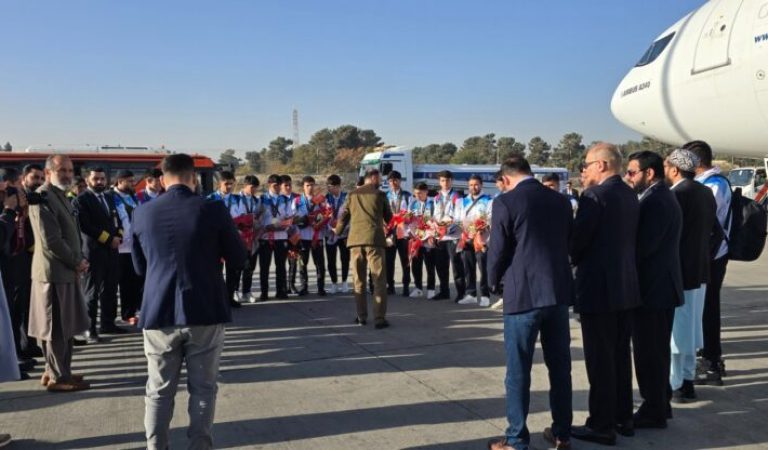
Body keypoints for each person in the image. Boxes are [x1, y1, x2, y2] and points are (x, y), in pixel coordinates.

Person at [132, 153, 247, 450]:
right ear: (193, 177)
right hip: (204, 309)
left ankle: (156, 446)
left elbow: (139, 268)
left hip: (159, 312)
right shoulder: (212, 209)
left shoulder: (142, 213)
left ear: (161, 178)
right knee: (203, 389)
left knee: (158, 390)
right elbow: (238, 258)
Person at [486, 157, 574, 450]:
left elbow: (497, 249)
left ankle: (516, 439)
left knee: (518, 372)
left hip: (522, 295)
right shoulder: (560, 201)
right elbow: (569, 243)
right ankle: (563, 434)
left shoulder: (506, 202)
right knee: (560, 368)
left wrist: (492, 282)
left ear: (506, 178)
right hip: (558, 293)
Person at [569, 143, 641, 446]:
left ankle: (601, 424)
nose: (584, 170)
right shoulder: (628, 193)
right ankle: (623, 416)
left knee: (600, 361)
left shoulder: (595, 196)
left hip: (599, 289)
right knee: (620, 357)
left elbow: (576, 243)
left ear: (601, 165)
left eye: (587, 164)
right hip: (625, 287)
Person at [625, 151, 683, 428]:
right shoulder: (657, 196)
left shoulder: (657, 200)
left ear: (649, 173)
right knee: (654, 352)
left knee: (650, 354)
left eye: (633, 172)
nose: (628, 177)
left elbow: (644, 247)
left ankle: (654, 409)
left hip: (654, 291)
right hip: (658, 288)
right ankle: (659, 403)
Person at [28, 154, 91, 391]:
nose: (67, 174)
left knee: (65, 326)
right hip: (53, 273)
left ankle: (58, 371)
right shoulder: (42, 198)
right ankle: (58, 377)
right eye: (61, 170)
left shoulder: (59, 195)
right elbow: (51, 241)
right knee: (54, 328)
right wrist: (77, 261)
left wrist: (78, 260)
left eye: (69, 170)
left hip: (66, 271)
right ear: (48, 173)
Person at [664, 148, 719, 403]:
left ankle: (679, 384)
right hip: (701, 272)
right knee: (692, 329)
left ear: (674, 169)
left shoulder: (676, 195)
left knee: (678, 333)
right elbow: (717, 233)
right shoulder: (706, 193)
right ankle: (686, 380)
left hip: (679, 275)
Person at [686, 140, 731, 385]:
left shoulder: (714, 185)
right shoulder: (707, 184)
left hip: (711, 257)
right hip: (705, 255)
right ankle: (709, 357)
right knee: (701, 309)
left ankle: (712, 362)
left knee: (708, 309)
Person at [334, 169, 392, 329]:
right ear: (373, 178)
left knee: (358, 280)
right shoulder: (380, 194)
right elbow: (389, 217)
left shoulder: (351, 195)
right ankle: (379, 318)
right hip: (375, 241)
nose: (380, 180)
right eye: (379, 178)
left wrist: (337, 232)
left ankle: (361, 316)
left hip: (355, 241)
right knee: (378, 280)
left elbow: (343, 216)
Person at [73, 167, 125, 342]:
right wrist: (108, 239)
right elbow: (86, 226)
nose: (100, 182)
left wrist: (118, 235)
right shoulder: (81, 200)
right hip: (93, 251)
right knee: (92, 292)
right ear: (88, 180)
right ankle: (89, 330)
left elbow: (117, 219)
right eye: (96, 179)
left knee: (110, 288)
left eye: (102, 179)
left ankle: (108, 323)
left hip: (111, 251)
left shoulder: (109, 197)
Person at [207, 171, 247, 308]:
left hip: (232, 238)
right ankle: (216, 299)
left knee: (233, 270)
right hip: (216, 241)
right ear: (219, 183)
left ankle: (230, 297)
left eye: (231, 183)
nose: (229, 186)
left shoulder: (238, 199)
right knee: (216, 271)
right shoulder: (210, 199)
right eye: (226, 184)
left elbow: (244, 217)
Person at [111, 170, 143, 326]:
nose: (132, 184)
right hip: (118, 247)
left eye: (133, 181)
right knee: (121, 283)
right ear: (119, 181)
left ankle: (131, 312)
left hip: (134, 246)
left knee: (134, 281)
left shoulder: (132, 197)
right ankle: (120, 315)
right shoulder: (111, 197)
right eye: (129, 181)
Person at [429, 170, 465, 302]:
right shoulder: (436, 197)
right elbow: (434, 216)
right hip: (440, 236)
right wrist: (434, 229)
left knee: (456, 265)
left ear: (451, 181)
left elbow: (459, 216)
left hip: (453, 236)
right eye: (443, 180)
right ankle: (444, 291)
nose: (445, 183)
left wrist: (449, 227)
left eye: (448, 180)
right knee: (440, 265)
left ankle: (461, 293)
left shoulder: (457, 196)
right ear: (439, 182)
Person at [457, 175, 492, 307]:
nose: (473, 187)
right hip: (466, 238)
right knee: (468, 267)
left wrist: (480, 227)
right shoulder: (463, 201)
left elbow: (489, 218)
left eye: (476, 184)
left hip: (481, 239)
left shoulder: (488, 200)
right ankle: (471, 294)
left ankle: (485, 295)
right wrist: (464, 229)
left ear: (481, 185)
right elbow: (458, 218)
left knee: (483, 268)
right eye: (471, 185)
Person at [259, 174, 291, 301]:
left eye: (279, 185)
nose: (277, 188)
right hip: (266, 237)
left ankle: (281, 291)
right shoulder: (262, 199)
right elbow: (256, 217)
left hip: (281, 236)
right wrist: (265, 226)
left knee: (281, 266)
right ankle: (264, 292)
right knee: (264, 266)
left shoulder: (285, 199)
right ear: (269, 185)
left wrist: (284, 225)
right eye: (274, 185)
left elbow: (289, 216)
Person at [295, 176, 327, 296]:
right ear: (303, 186)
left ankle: (321, 287)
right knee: (302, 263)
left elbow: (326, 214)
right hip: (303, 237)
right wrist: (302, 220)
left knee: (319, 263)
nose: (310, 187)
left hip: (316, 236)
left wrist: (320, 221)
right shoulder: (297, 201)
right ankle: (304, 286)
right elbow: (293, 218)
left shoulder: (320, 200)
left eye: (312, 185)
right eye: (307, 185)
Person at [385, 171, 412, 296]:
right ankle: (390, 285)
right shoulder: (385, 196)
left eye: (395, 180)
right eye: (390, 181)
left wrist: (405, 217)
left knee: (405, 260)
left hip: (403, 233)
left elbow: (412, 213)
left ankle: (406, 285)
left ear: (400, 181)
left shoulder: (407, 196)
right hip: (390, 233)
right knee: (389, 261)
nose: (393, 183)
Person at [408, 182, 435, 299]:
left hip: (428, 237)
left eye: (420, 193)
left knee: (429, 264)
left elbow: (435, 220)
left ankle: (431, 288)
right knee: (416, 264)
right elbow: (409, 220)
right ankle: (418, 288)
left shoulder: (433, 202)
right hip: (416, 238)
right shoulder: (413, 203)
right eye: (415, 194)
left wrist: (431, 234)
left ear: (426, 192)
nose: (417, 196)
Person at [238, 175, 262, 304]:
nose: (254, 190)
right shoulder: (237, 199)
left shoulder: (256, 200)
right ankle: (235, 291)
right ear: (245, 185)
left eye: (256, 188)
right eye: (252, 187)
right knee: (238, 266)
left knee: (250, 267)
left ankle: (247, 291)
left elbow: (259, 216)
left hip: (253, 238)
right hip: (240, 238)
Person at [325, 174, 350, 294]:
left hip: (344, 233)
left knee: (345, 258)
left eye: (332, 186)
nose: (330, 189)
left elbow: (350, 215)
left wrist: (343, 228)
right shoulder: (325, 198)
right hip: (330, 233)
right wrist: (331, 227)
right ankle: (334, 283)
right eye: (328, 186)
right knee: (331, 259)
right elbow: (322, 217)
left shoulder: (347, 197)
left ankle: (344, 282)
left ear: (339, 186)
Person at [489, 171, 507, 311]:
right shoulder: (497, 197)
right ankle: (502, 296)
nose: (497, 185)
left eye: (498, 182)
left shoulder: (508, 198)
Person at [281, 175, 301, 295]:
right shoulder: (279, 199)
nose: (288, 187)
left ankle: (291, 284)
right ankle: (283, 285)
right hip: (282, 233)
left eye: (290, 185)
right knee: (281, 262)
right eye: (285, 185)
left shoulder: (298, 198)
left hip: (295, 234)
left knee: (293, 260)